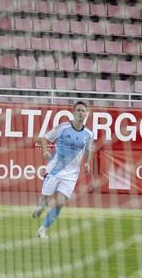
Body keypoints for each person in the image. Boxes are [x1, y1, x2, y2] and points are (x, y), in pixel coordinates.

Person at [31, 101, 95, 239]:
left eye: (83, 111)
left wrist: (87, 163)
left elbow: (89, 149)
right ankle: (41, 208)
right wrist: (45, 152)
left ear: (86, 114)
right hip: (54, 170)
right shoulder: (63, 127)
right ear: (73, 112)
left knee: (60, 204)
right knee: (45, 201)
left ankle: (42, 230)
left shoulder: (89, 134)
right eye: (78, 110)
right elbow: (44, 138)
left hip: (71, 175)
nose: (80, 113)